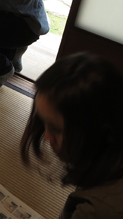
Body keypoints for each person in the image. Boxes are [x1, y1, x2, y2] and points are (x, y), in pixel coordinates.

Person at [20, 52, 123, 218]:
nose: (46, 137)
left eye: (56, 129)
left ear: (98, 130)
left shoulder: (98, 209)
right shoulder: (107, 156)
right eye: (43, 122)